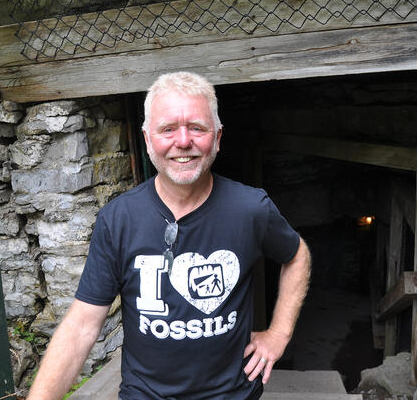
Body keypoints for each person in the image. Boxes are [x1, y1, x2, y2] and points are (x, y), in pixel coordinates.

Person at [27, 72, 311, 399]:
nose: (183, 141)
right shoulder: (118, 219)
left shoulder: (251, 209)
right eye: (168, 129)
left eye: (197, 128)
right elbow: (80, 328)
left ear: (217, 138)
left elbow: (297, 254)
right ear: (147, 139)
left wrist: (279, 333)